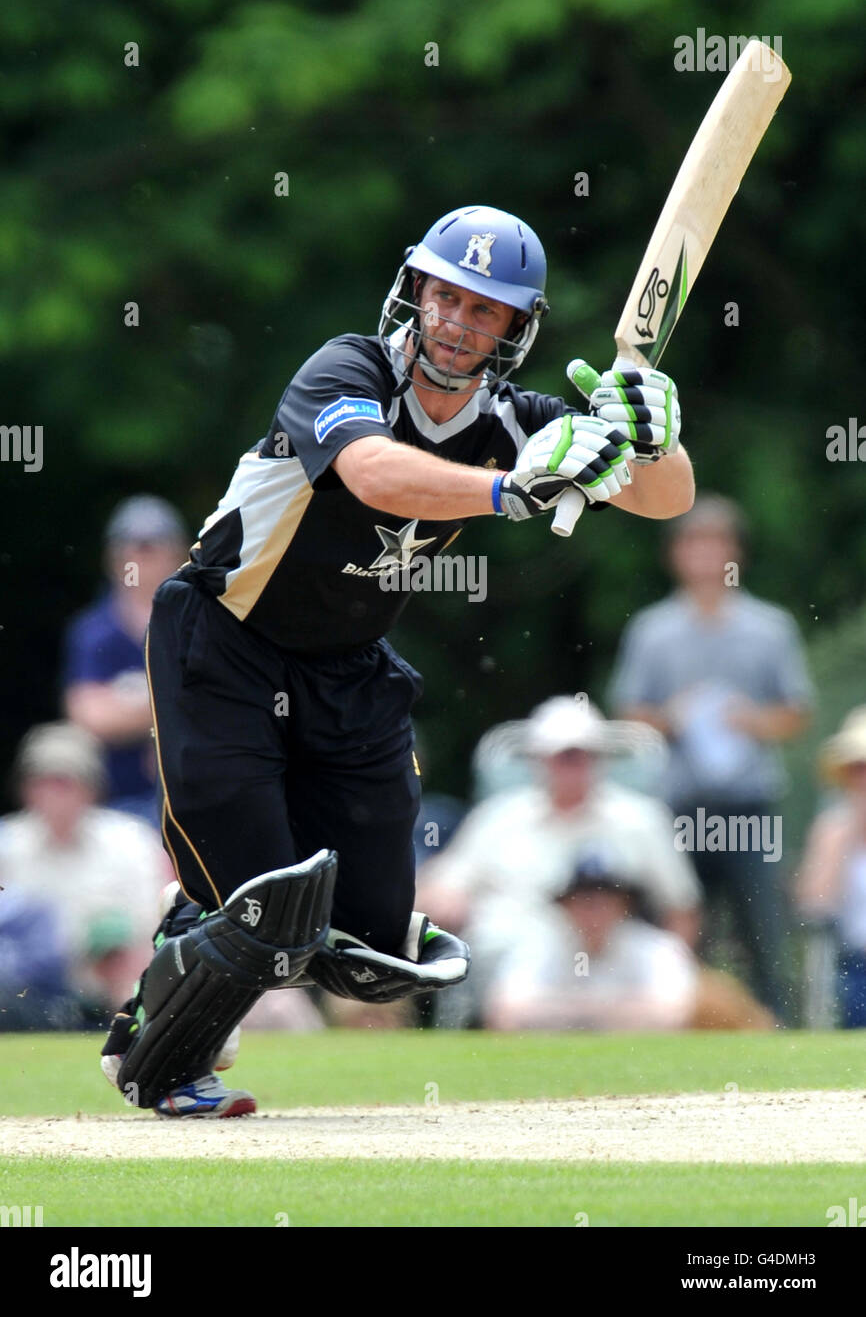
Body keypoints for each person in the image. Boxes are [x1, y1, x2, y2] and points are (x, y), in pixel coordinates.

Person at [100, 204, 695, 1118]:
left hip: (349, 669)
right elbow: (372, 472)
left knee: (373, 955)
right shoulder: (348, 369)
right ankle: (164, 1052)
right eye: (445, 296)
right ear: (414, 293)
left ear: (514, 328)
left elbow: (668, 498)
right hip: (224, 642)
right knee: (266, 907)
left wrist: (650, 434)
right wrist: (512, 489)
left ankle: (303, 918)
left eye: (484, 309)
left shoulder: (517, 423)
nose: (457, 322)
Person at [608, 494, 813, 1019]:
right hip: (679, 806)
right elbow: (629, 716)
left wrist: (750, 720)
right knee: (678, 929)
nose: (705, 556)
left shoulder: (770, 628)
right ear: (675, 555)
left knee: (764, 927)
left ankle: (781, 1028)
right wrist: (671, 718)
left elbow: (796, 713)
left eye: (715, 544)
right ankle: (673, 1027)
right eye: (694, 544)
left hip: (749, 804)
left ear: (736, 553)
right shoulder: (653, 631)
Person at [418, 694, 702, 1024]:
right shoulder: (498, 818)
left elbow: (681, 906)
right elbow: (442, 885)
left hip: (609, 962)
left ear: (601, 759)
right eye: (563, 756)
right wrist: (446, 897)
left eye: (581, 755)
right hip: (506, 961)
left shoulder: (641, 820)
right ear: (539, 760)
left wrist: (670, 967)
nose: (572, 766)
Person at [0, 724, 165, 1021]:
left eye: (64, 783)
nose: (53, 795)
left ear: (92, 788)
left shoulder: (131, 841)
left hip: (111, 991)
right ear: (25, 788)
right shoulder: (6, 845)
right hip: (26, 996)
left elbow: (156, 928)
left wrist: (113, 940)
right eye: (42, 782)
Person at [62, 496, 188, 825]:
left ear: (178, 553)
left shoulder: (198, 623)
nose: (140, 558)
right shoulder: (93, 630)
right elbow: (89, 717)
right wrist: (171, 704)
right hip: (111, 808)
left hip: (189, 801)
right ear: (113, 556)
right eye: (132, 547)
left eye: (152, 547)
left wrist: (126, 703)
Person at [484, 857, 699, 1031]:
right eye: (584, 903)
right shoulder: (539, 946)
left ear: (624, 906)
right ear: (565, 906)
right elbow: (504, 1013)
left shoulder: (655, 948)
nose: (594, 914)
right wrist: (617, 1012)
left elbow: (679, 1013)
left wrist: (566, 1012)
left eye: (604, 902)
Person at [797, 707, 866, 1027]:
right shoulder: (832, 829)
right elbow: (814, 905)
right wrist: (850, 833)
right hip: (855, 965)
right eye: (857, 768)